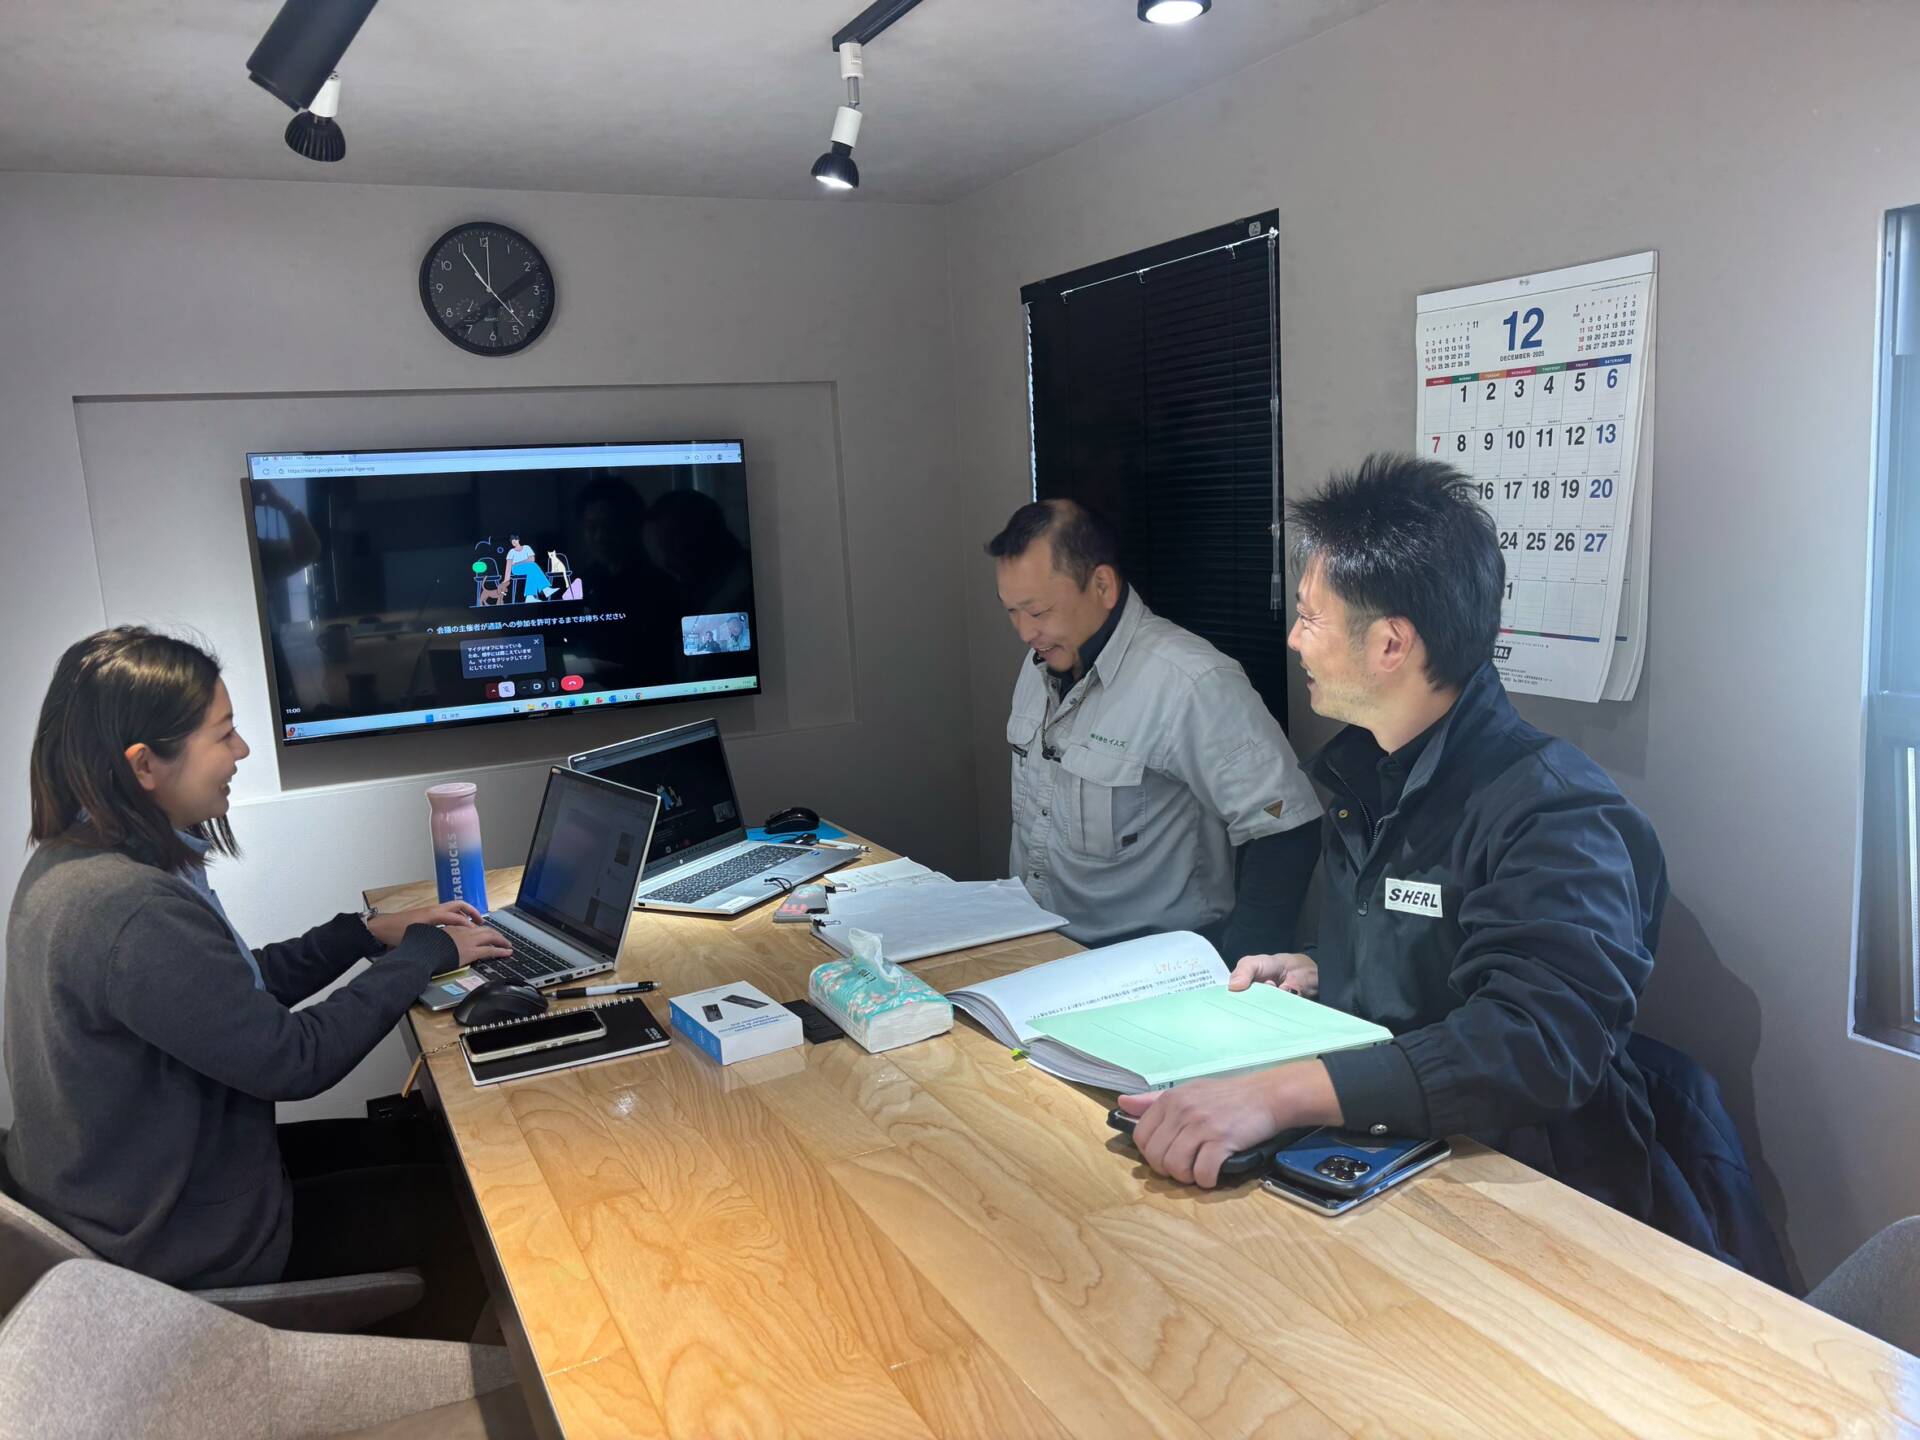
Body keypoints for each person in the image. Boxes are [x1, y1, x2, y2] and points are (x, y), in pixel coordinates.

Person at [1118, 454, 1685, 1237]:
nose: (1295, 640)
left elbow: (1537, 1042)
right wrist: (1331, 970)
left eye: (1311, 618)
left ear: (1391, 644)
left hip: (1523, 1191)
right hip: (1383, 1163)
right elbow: (1437, 961)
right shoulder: (1366, 775)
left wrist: (1277, 1094)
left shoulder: (1555, 812)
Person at [3, 627, 514, 1338]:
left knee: (433, 1147)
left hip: (158, 1197)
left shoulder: (77, 862)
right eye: (224, 735)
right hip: (185, 1251)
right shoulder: (128, 907)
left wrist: (365, 934)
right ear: (145, 764)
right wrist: (426, 952)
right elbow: (293, 1058)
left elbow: (228, 996)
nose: (241, 751)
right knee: (482, 1212)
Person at [987, 499, 1321, 954]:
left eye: (1038, 611)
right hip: (1038, 946)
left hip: (1146, 967)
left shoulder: (1190, 682)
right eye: (1011, 612)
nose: (1025, 633)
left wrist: (1238, 967)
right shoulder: (1039, 665)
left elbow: (1286, 829)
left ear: (1102, 586)